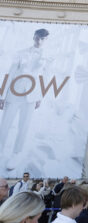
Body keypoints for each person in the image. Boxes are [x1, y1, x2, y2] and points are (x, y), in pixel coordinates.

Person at [0, 29, 51, 170]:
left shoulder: (47, 57)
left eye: (42, 39)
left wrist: (40, 97)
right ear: (33, 37)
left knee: (24, 126)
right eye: (37, 38)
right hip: (14, 92)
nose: (39, 41)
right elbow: (10, 73)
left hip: (32, 95)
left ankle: (16, 153)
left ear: (46, 40)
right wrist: (2, 95)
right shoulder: (21, 53)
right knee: (5, 123)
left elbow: (44, 78)